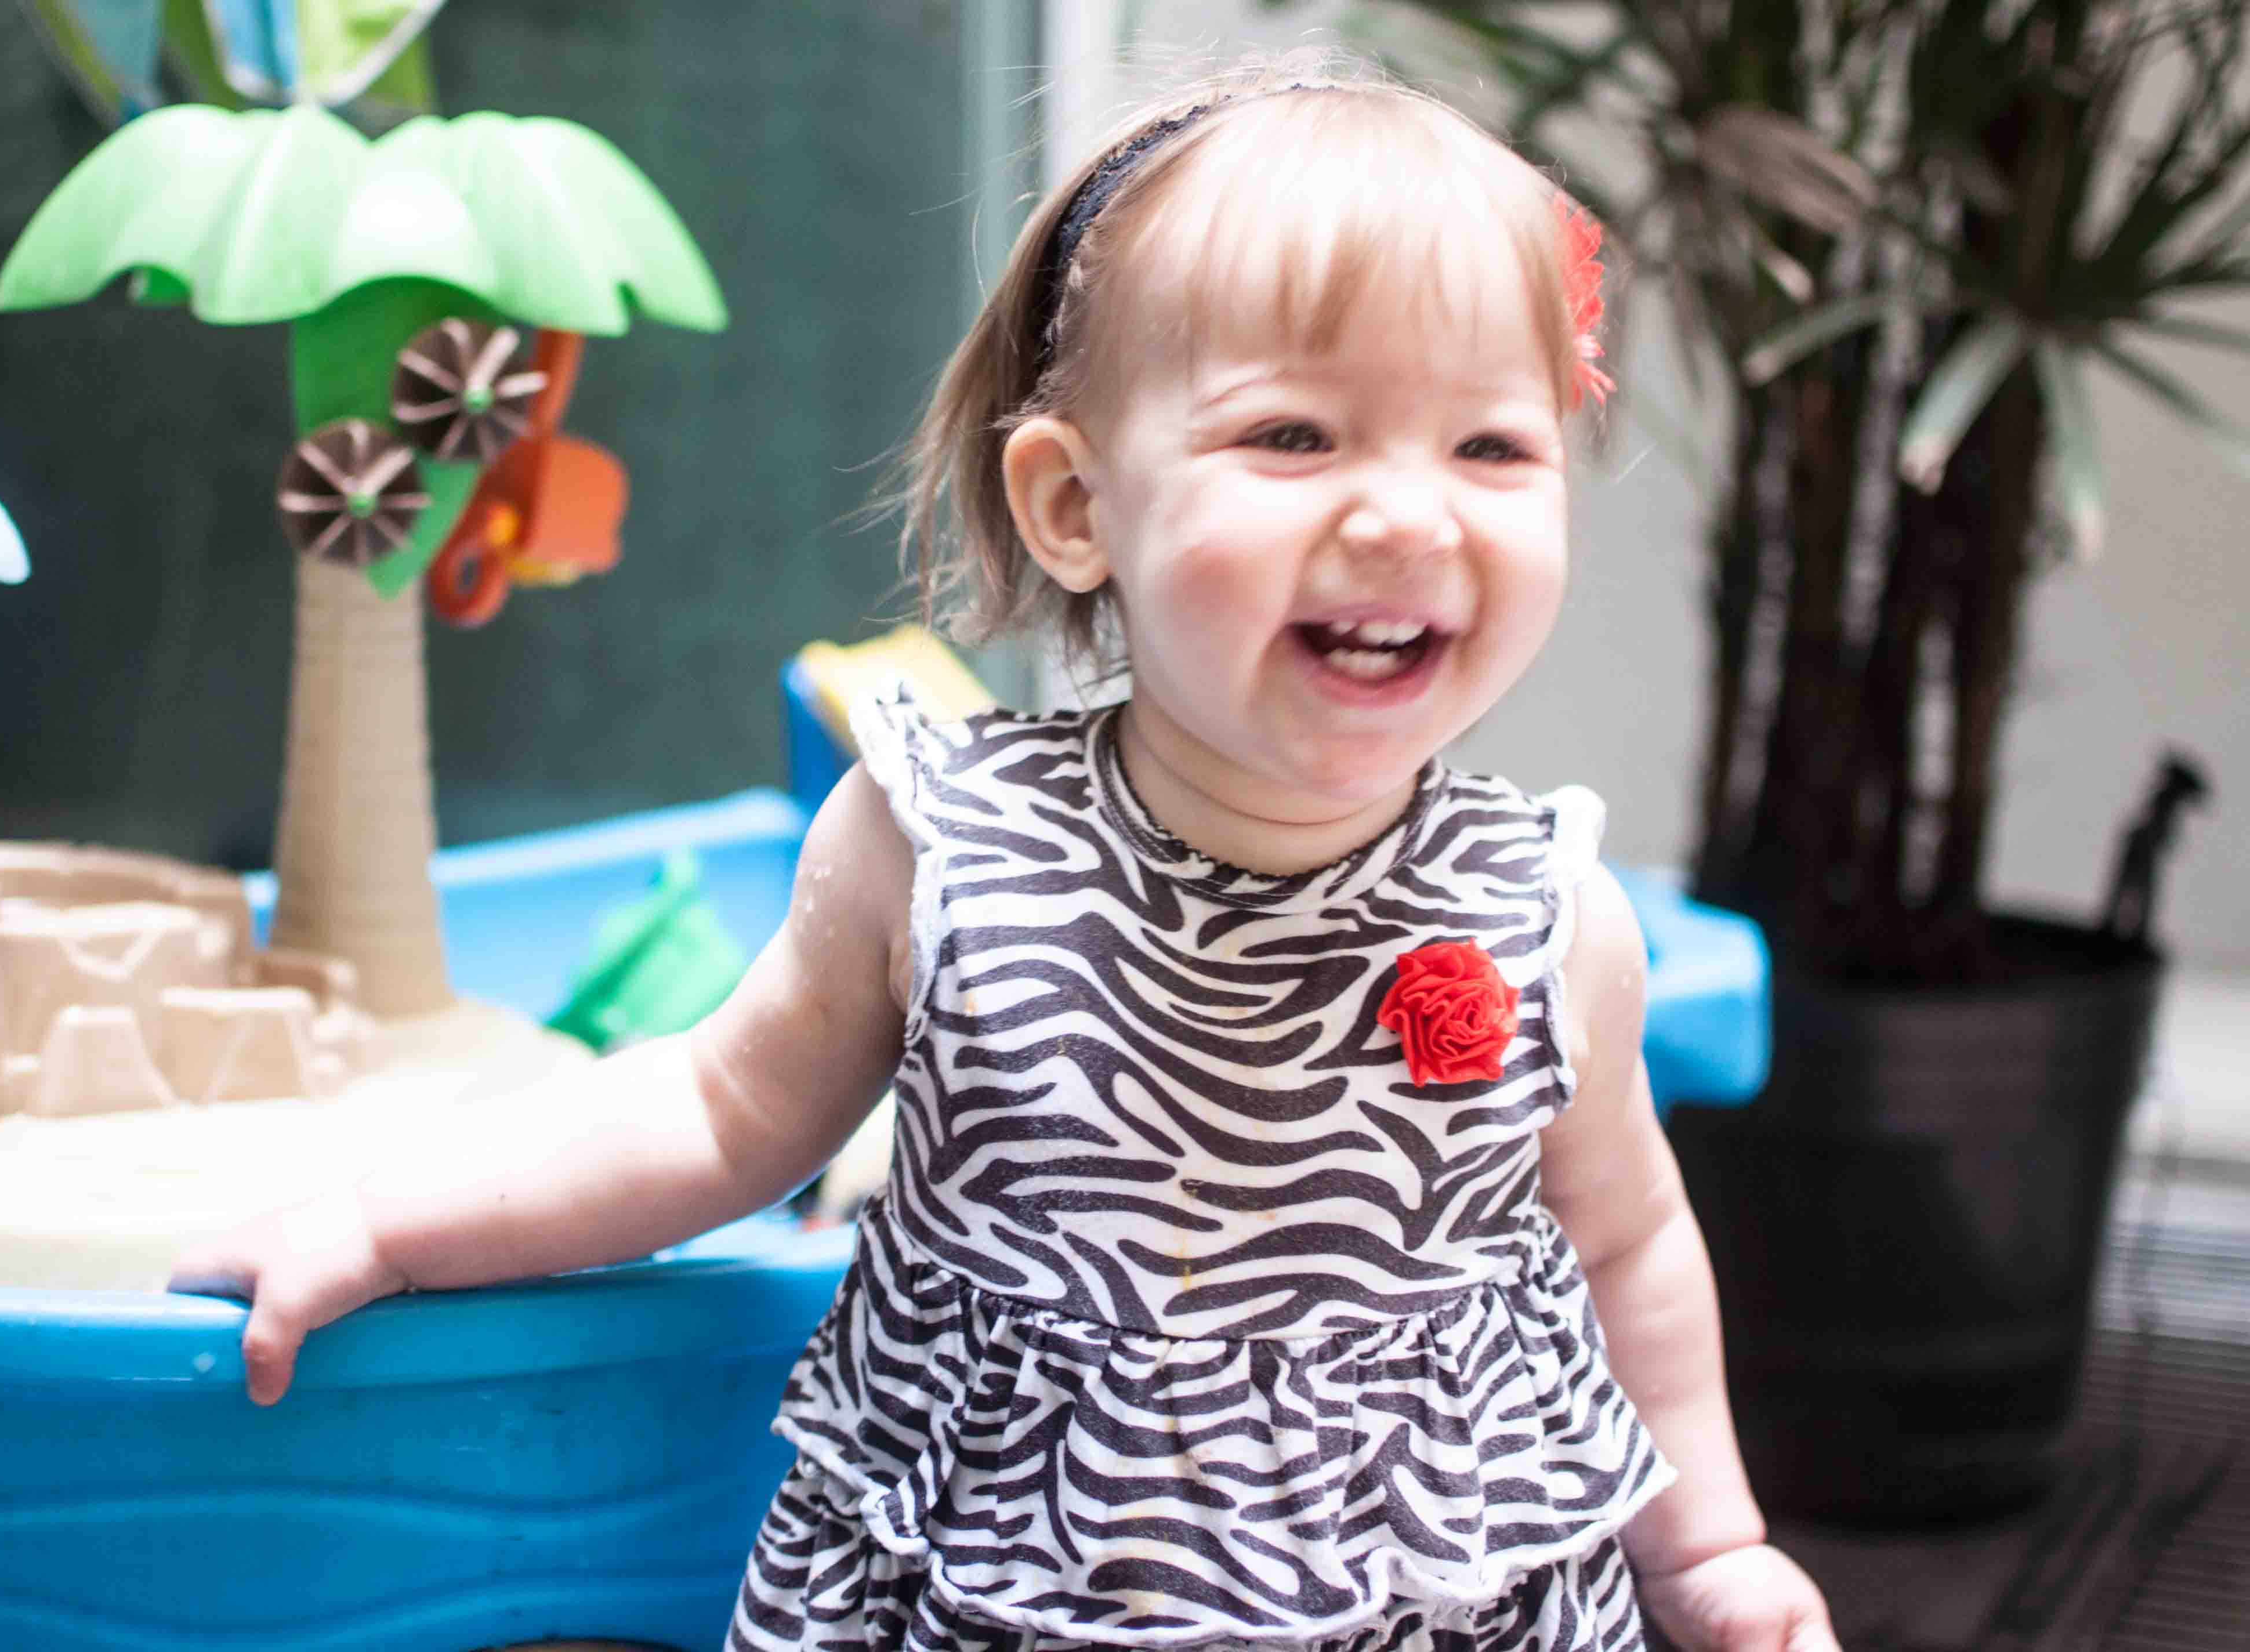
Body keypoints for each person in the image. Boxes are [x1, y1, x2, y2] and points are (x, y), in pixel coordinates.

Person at [171, 53, 1840, 1652]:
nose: (1410, 515)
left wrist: (1705, 1544)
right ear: (1073, 505)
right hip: (1014, 1585)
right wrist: (388, 1225)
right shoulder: (946, 848)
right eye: (1294, 438)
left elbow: (1624, 1240)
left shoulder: (1547, 918)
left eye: (1492, 447)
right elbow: (714, 1109)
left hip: (1437, 1596)